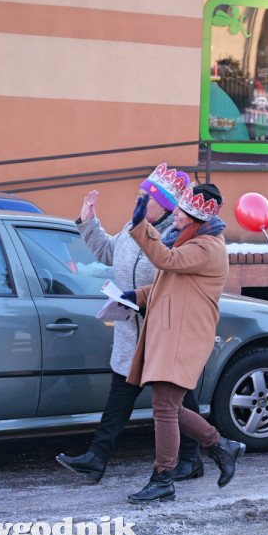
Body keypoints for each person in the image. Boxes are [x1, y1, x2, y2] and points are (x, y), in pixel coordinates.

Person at [56, 164, 199, 485]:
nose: (138, 200)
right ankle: (97, 457)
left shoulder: (176, 237)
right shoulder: (133, 226)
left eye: (144, 196)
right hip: (130, 331)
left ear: (164, 205)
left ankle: (194, 456)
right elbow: (107, 252)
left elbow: (177, 285)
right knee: (120, 397)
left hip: (160, 331)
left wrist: (144, 302)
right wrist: (89, 220)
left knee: (177, 400)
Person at [123, 180, 244, 503]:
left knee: (164, 408)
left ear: (193, 218)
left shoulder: (206, 247)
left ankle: (164, 477)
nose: (174, 214)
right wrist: (136, 295)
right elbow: (170, 282)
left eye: (179, 210)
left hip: (184, 337)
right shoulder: (186, 240)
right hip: (174, 335)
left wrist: (141, 227)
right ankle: (221, 446)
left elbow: (167, 262)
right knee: (170, 407)